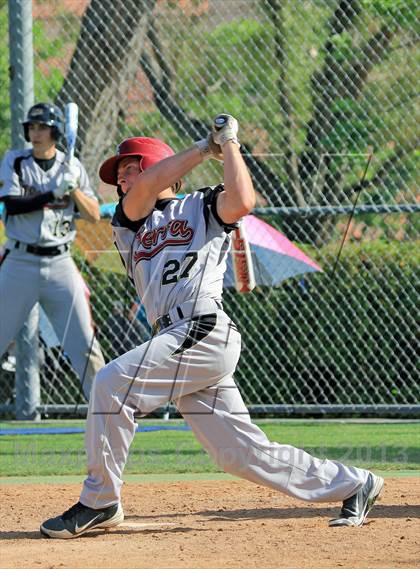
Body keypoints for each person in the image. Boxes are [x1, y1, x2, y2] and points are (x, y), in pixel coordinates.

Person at [40, 114, 383, 538]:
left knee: (111, 383)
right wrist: (205, 146)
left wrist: (231, 144)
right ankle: (355, 483)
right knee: (238, 453)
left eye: (131, 168)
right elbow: (147, 189)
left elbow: (242, 201)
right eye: (120, 175)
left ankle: (100, 500)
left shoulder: (200, 204)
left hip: (201, 328)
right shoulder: (129, 225)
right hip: (173, 338)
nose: (123, 180)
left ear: (161, 168)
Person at [0, 102, 105, 400]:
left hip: (60, 262)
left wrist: (73, 190)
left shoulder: (72, 167)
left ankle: (107, 414)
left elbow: (94, 214)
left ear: (56, 131)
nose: (36, 133)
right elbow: (12, 204)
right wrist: (51, 194)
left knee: (85, 344)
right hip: (19, 262)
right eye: (32, 127)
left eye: (42, 127)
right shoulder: (16, 161)